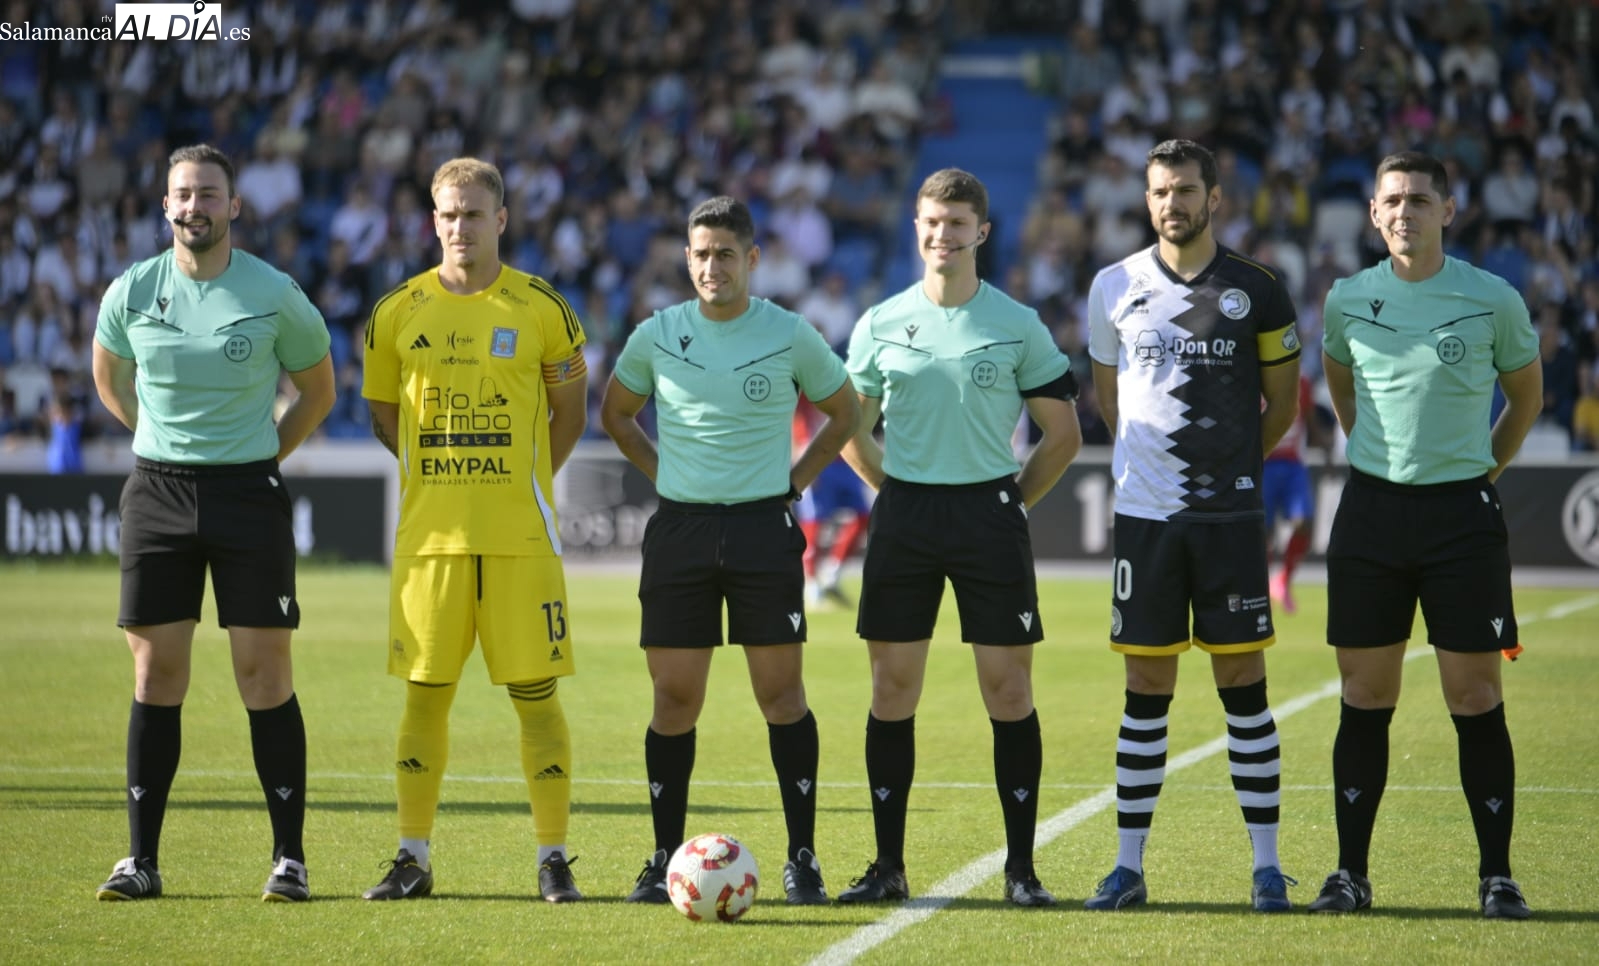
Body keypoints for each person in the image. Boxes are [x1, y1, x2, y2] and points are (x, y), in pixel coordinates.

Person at [90, 143, 336, 902]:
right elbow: (110, 379)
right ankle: (141, 862)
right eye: (182, 195)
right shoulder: (132, 290)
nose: (194, 206)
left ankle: (288, 860)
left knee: (263, 677)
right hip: (156, 495)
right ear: (165, 206)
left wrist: (263, 454)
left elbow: (318, 392)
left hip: (248, 497)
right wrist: (156, 439)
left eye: (208, 194)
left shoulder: (274, 292)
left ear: (235, 206)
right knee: (156, 674)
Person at [599, 196, 859, 906]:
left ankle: (801, 859)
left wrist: (798, 481)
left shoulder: (789, 332)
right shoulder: (656, 334)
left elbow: (845, 409)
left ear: (751, 259)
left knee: (780, 696)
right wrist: (669, 478)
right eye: (699, 254)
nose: (710, 266)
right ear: (686, 260)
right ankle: (659, 859)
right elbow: (616, 415)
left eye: (724, 254)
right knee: (673, 698)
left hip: (759, 531)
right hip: (680, 533)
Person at [835, 168, 1082, 908]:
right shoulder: (879, 321)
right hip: (906, 516)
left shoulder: (1016, 323)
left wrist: (1009, 503)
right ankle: (887, 867)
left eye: (956, 223)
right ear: (917, 229)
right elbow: (850, 426)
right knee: (891, 689)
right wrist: (897, 489)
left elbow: (1061, 435)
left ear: (981, 231)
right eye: (930, 223)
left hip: (988, 517)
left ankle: (1020, 872)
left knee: (1008, 691)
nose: (942, 235)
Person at [1308, 151, 1542, 920]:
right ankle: (1349, 875)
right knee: (1362, 695)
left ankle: (1497, 875)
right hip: (1371, 514)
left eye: (1417, 199)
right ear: (1373, 215)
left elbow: (1524, 397)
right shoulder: (1346, 299)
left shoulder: (1492, 298)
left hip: (1460, 520)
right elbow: (1341, 390)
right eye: (1390, 201)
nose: (1402, 212)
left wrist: (1478, 472)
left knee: (1474, 696)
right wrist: (1377, 458)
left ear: (1448, 209)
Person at [359, 157, 589, 903]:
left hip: (521, 539)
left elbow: (571, 414)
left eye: (474, 213)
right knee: (424, 698)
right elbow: (384, 417)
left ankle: (552, 857)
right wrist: (441, 482)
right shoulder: (396, 311)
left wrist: (523, 485)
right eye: (448, 214)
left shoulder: (541, 307)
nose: (461, 226)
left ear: (501, 220)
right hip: (430, 543)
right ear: (433, 221)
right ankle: (411, 857)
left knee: (536, 695)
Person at [1083, 139, 1302, 912]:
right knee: (1145, 687)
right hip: (1145, 518)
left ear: (1214, 197)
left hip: (1229, 517)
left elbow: (1281, 408)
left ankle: (1267, 869)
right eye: (1157, 192)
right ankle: (1127, 867)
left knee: (1243, 686)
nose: (1169, 204)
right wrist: (1154, 471)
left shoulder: (1258, 290)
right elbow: (1109, 401)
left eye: (1183, 190)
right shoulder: (1112, 285)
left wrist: (1227, 464)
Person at [792, 397, 870, 606]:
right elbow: (794, 415)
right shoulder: (805, 376)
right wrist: (802, 455)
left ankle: (832, 574)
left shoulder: (842, 372)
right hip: (815, 456)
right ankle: (811, 584)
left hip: (844, 459)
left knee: (864, 516)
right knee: (814, 522)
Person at [1263, 374, 1319, 614]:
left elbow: (1309, 419)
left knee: (1304, 522)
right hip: (1262, 462)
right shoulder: (1254, 377)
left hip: (1292, 463)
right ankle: (1259, 586)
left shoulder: (1302, 381)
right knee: (1260, 532)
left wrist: (1325, 444)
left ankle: (1283, 578)